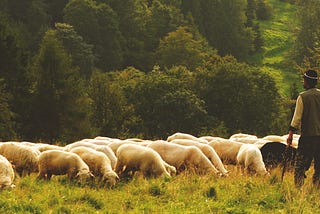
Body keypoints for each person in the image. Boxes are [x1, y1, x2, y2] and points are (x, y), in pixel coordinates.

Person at [287, 69, 320, 188]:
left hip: (308, 137)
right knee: (319, 166)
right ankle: (317, 189)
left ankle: (298, 188)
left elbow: (296, 118)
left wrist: (291, 134)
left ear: (307, 81)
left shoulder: (303, 97)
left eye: (304, 80)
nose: (303, 82)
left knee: (299, 164)